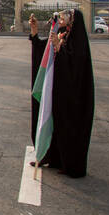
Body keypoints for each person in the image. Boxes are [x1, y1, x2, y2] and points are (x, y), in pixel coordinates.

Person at [29, 10, 95, 177]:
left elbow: (75, 64)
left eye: (66, 16)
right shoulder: (60, 33)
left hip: (71, 96)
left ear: (73, 21)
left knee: (68, 127)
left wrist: (59, 47)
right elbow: (45, 52)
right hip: (56, 91)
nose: (62, 18)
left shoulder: (77, 40)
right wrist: (35, 32)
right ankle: (50, 156)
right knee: (52, 122)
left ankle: (70, 165)